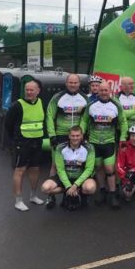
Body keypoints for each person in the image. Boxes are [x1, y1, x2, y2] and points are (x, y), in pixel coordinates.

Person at [80, 81, 128, 209]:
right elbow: (84, 121)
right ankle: (102, 191)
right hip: (94, 142)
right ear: (98, 91)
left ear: (110, 91)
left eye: (106, 90)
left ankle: (112, 194)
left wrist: (123, 137)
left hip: (109, 142)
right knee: (98, 167)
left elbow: (123, 122)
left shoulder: (116, 105)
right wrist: (81, 135)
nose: (103, 92)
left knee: (109, 169)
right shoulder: (91, 105)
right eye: (101, 90)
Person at [45, 73, 88, 208]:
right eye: (71, 82)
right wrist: (52, 135)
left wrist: (81, 134)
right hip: (60, 134)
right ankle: (50, 197)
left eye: (75, 83)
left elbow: (85, 119)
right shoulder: (57, 97)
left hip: (77, 135)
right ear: (66, 83)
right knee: (55, 165)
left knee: (77, 163)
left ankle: (75, 192)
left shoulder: (85, 98)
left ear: (79, 84)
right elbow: (50, 116)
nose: (73, 85)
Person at [5, 80, 46, 211]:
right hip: (22, 143)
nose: (28, 92)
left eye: (31, 90)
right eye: (27, 89)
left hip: (37, 142)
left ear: (38, 91)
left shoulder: (41, 102)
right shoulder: (17, 105)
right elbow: (8, 125)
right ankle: (18, 200)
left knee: (35, 169)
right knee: (20, 170)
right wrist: (14, 141)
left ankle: (33, 196)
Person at [41, 125, 96, 211]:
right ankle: (68, 191)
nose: (75, 138)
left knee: (90, 188)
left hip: (80, 178)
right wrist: (68, 186)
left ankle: (79, 193)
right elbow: (60, 169)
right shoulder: (60, 147)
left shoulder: (89, 148)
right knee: (45, 188)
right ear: (69, 136)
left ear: (81, 136)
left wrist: (75, 185)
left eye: (77, 135)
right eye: (73, 136)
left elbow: (89, 169)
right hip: (65, 178)